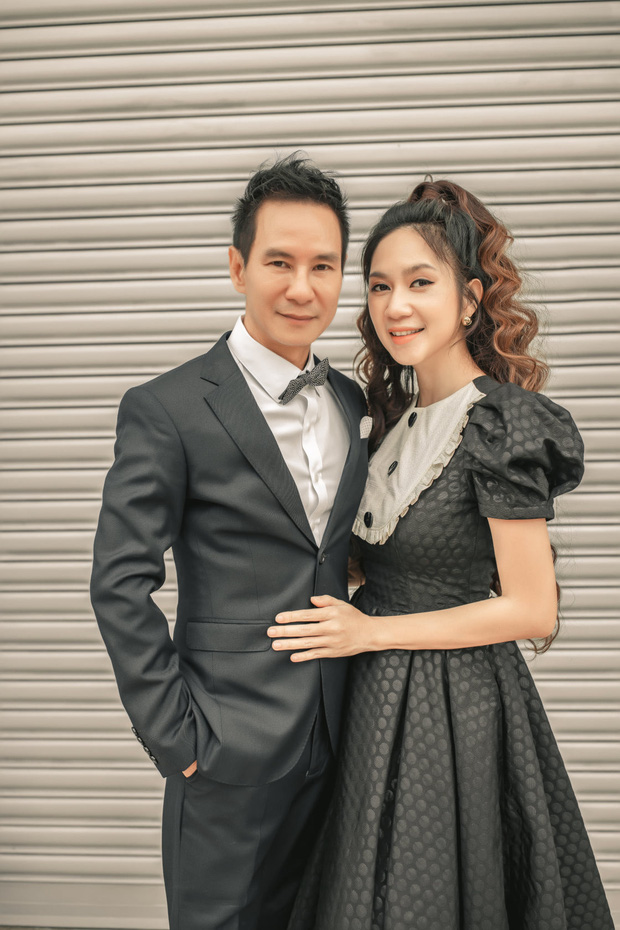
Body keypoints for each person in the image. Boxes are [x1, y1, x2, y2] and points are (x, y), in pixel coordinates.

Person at [271, 179, 614, 929]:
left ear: (469, 301)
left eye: (421, 283)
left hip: (458, 709)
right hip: (369, 702)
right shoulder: (386, 427)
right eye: (380, 286)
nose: (396, 305)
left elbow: (533, 609)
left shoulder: (501, 425)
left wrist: (371, 632)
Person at [89, 154, 370, 930]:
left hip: (342, 741)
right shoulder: (168, 409)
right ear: (238, 266)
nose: (302, 287)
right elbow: (119, 582)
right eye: (280, 262)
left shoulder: (351, 402)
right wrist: (178, 738)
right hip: (224, 752)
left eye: (323, 266)